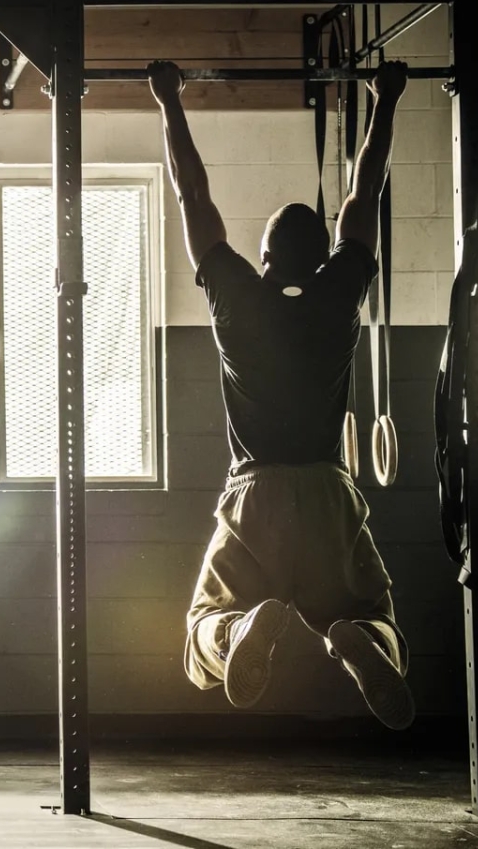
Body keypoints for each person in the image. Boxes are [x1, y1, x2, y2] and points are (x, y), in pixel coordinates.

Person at [149, 58, 415, 729]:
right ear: (323, 254)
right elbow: (365, 191)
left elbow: (193, 194)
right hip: (329, 491)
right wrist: (384, 100)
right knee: (374, 613)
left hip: (255, 493)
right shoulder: (339, 294)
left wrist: (169, 103)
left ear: (262, 259)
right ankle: (360, 640)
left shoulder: (236, 298)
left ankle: (235, 634)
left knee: (202, 624)